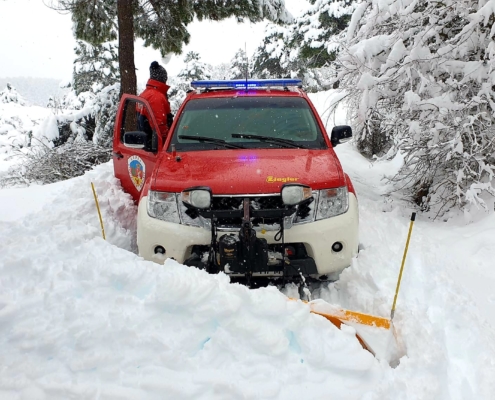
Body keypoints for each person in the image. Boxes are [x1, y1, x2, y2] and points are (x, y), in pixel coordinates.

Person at [138, 61, 173, 138]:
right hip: (155, 145)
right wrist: (168, 141)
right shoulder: (156, 97)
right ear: (162, 79)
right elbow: (160, 126)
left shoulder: (144, 94)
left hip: (147, 142)